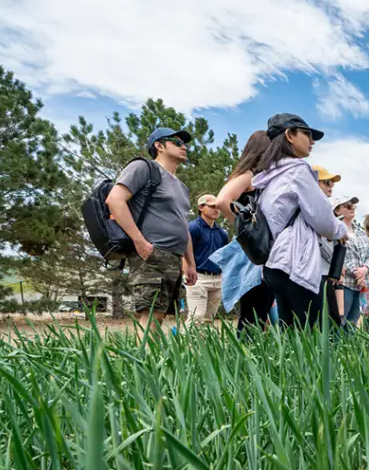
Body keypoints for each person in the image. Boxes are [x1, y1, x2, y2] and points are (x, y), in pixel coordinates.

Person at [252, 113, 348, 329]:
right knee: (318, 335)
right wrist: (342, 231)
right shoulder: (297, 170)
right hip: (296, 263)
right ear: (289, 135)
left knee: (290, 334)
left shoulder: (268, 174)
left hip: (274, 263)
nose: (312, 141)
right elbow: (323, 219)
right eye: (307, 134)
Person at [105, 127, 197, 336]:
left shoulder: (182, 187)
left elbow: (183, 225)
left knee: (161, 311)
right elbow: (114, 200)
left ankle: (152, 361)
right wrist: (139, 241)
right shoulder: (143, 168)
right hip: (151, 251)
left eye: (184, 143)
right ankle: (145, 364)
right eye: (177, 142)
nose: (184, 146)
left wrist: (190, 262)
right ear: (159, 145)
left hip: (173, 256)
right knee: (151, 311)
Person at [211, 130, 276, 334]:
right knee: (253, 315)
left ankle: (251, 355)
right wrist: (247, 230)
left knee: (260, 312)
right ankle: (246, 357)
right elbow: (222, 201)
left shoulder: (261, 178)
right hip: (253, 255)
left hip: (262, 253)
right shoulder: (248, 175)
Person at [332, 194, 369, 329]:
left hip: (360, 283)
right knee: (341, 321)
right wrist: (356, 272)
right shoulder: (335, 231)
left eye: (353, 206)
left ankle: (349, 348)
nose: (352, 208)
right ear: (337, 210)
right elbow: (336, 255)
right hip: (344, 283)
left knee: (353, 322)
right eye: (347, 206)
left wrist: (365, 269)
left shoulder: (361, 232)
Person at [185, 194, 228, 323]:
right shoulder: (192, 228)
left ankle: (201, 343)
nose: (216, 210)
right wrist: (186, 273)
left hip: (217, 278)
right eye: (212, 206)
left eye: (218, 207)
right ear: (201, 207)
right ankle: (185, 343)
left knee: (209, 320)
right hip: (198, 277)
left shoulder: (222, 233)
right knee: (196, 316)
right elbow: (184, 252)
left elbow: (224, 257)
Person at [313, 165, 345, 327]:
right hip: (316, 274)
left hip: (324, 274)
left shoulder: (320, 206)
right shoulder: (315, 207)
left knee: (332, 320)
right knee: (327, 321)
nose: (331, 186)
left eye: (332, 183)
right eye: (326, 182)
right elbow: (318, 242)